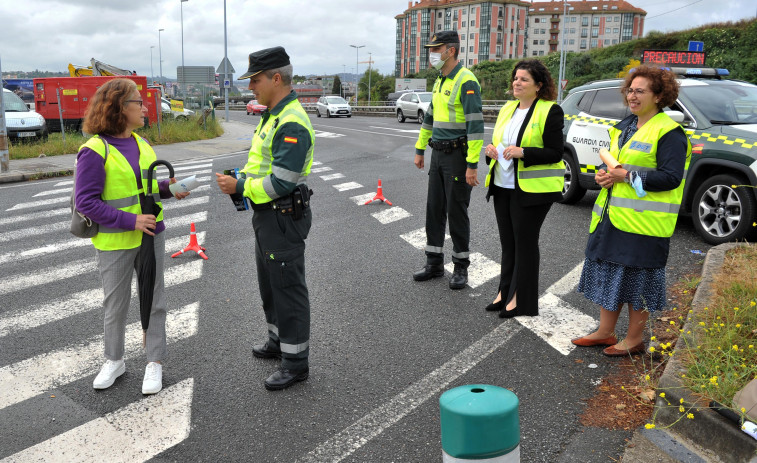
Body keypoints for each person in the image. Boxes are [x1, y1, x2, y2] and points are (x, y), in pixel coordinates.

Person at [75, 78, 189, 395]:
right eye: (138, 101)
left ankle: (155, 363)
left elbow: (148, 190)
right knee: (116, 305)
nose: (144, 105)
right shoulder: (95, 150)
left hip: (152, 234)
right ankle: (114, 360)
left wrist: (173, 189)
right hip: (115, 241)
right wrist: (131, 220)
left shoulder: (143, 144)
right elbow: (86, 203)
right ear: (120, 108)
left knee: (154, 301)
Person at [571, 65, 691, 356]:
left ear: (660, 95)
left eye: (640, 91)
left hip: (645, 224)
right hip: (613, 216)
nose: (632, 96)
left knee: (639, 279)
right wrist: (603, 175)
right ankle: (605, 332)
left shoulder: (669, 132)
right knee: (611, 273)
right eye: (630, 90)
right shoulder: (625, 126)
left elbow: (671, 177)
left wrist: (625, 175)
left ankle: (635, 339)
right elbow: (614, 163)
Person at [216, 46, 315, 391]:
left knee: (287, 288)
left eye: (255, 80)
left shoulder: (291, 122)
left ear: (276, 78)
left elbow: (281, 182)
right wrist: (241, 178)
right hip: (267, 216)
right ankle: (277, 341)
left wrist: (240, 185)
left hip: (282, 214)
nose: (251, 87)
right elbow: (261, 165)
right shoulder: (271, 115)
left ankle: (295, 362)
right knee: (271, 284)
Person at [482, 60, 565, 318]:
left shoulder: (550, 111)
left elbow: (555, 152)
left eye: (524, 79)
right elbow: (498, 142)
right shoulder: (508, 108)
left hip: (532, 190)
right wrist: (491, 152)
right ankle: (504, 292)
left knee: (525, 244)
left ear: (539, 86)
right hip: (502, 184)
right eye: (515, 78)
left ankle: (521, 300)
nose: (517, 83)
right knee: (508, 243)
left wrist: (523, 152)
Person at [412, 30, 484, 290]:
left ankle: (461, 267)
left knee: (456, 211)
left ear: (450, 51)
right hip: (438, 154)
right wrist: (420, 149)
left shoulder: (466, 81)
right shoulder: (440, 80)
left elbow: (476, 127)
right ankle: (434, 263)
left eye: (436, 49)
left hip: (457, 155)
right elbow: (430, 117)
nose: (432, 54)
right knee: (434, 208)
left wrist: (472, 165)